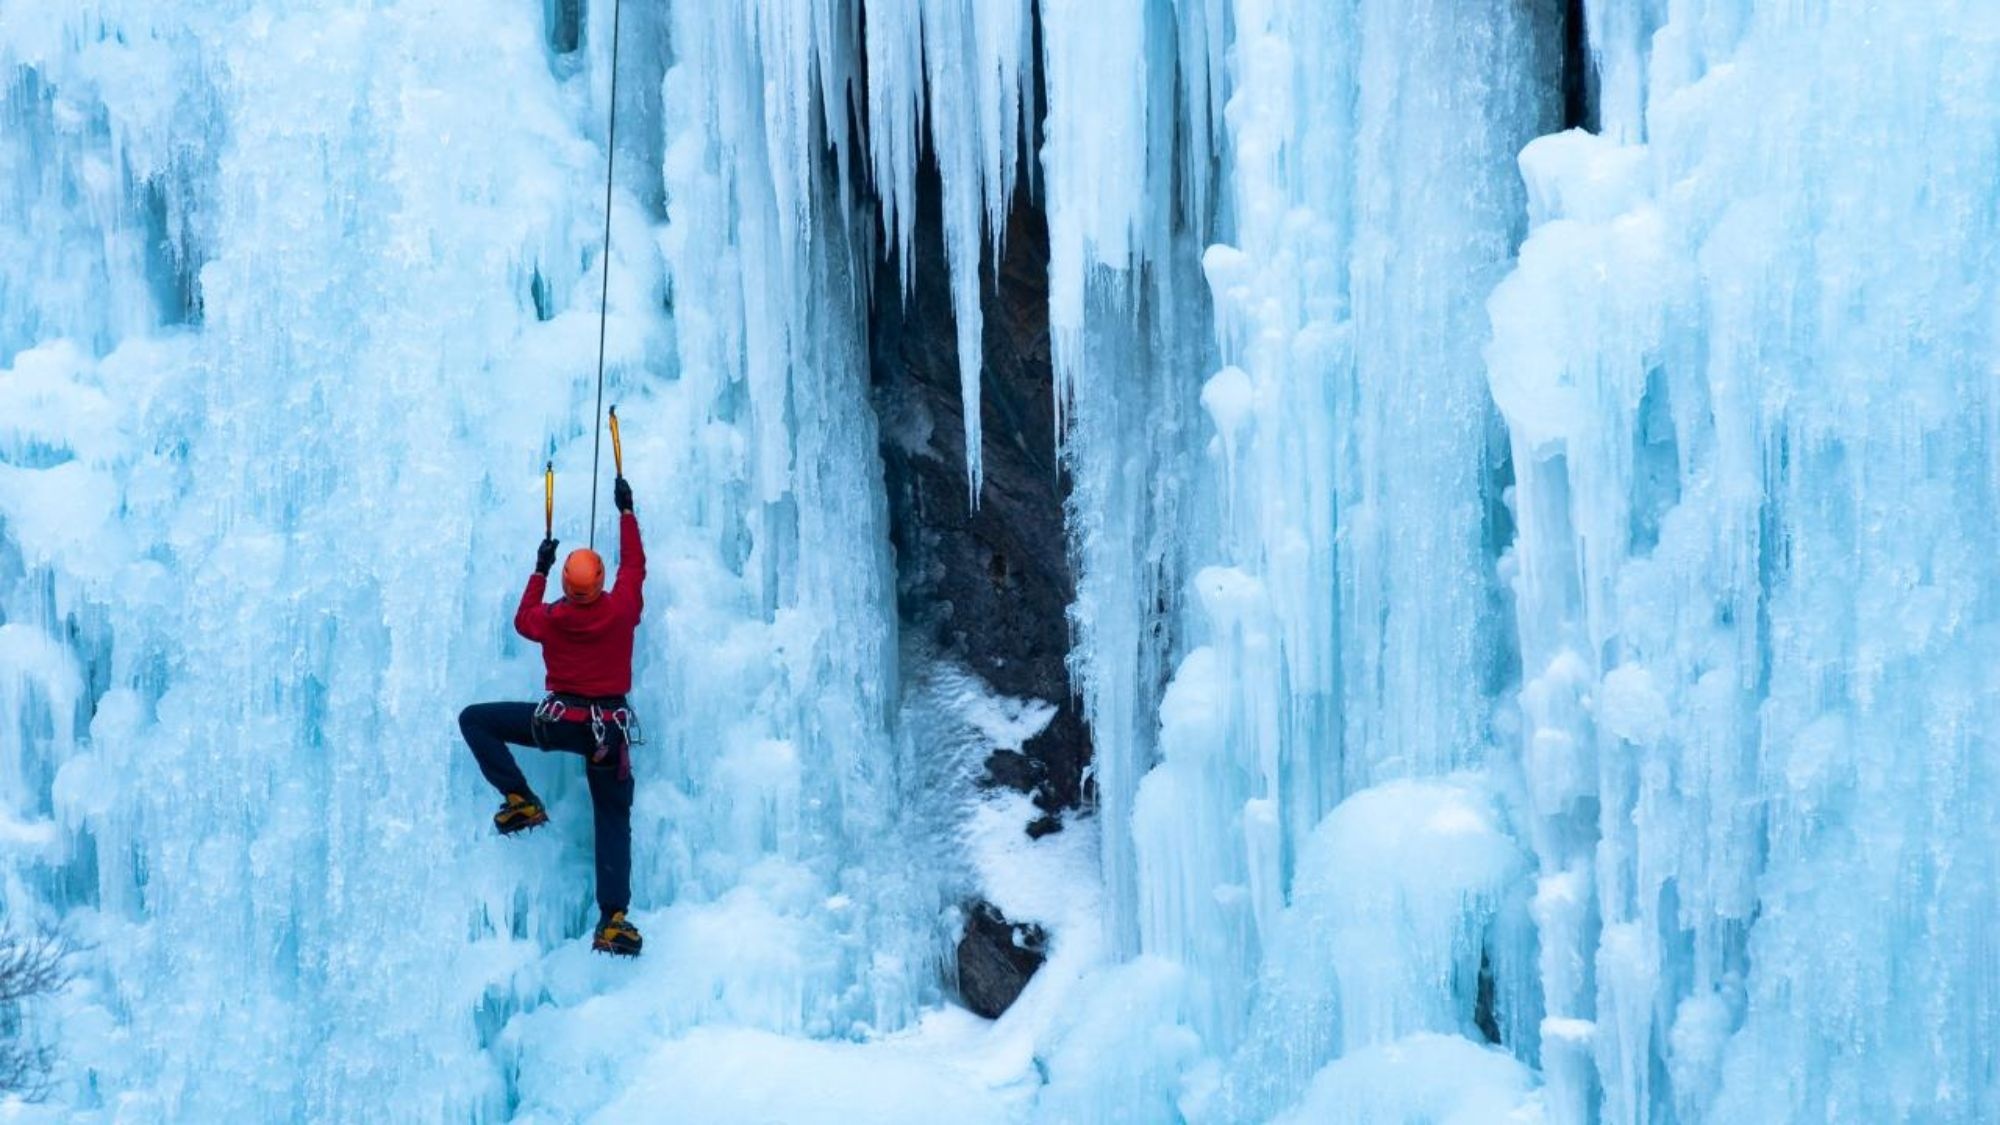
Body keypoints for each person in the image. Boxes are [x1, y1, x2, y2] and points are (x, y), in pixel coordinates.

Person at [459, 475, 645, 957]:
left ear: (565, 585)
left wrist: (539, 568)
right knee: (611, 816)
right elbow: (635, 566)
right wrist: (627, 513)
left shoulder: (553, 618)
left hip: (559, 723)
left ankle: (519, 797)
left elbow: (524, 618)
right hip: (607, 733)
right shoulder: (622, 610)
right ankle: (613, 920)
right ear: (601, 583)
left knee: (476, 720)